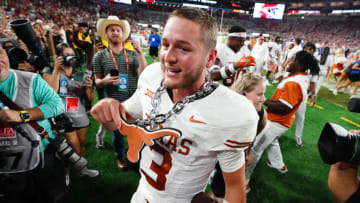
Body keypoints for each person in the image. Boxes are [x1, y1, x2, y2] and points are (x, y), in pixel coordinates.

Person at [91, 8, 258, 202]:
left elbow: (235, 188)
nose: (168, 57)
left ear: (210, 58)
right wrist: (109, 108)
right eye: (166, 45)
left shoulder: (231, 113)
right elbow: (121, 121)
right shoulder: (152, 76)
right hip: (141, 194)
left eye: (183, 48)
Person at [245, 51, 320, 192]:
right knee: (272, 141)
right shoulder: (300, 77)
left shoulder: (294, 82)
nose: (288, 61)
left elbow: (284, 107)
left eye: (292, 59)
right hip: (282, 121)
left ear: (301, 65)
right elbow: (286, 88)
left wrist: (262, 100)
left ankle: (245, 182)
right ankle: (278, 163)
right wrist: (276, 73)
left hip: (276, 121)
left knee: (255, 150)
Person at [0, 45, 66, 203]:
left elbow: (57, 105)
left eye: (0, 53)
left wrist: (20, 115)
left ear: (6, 56)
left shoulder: (30, 80)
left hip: (41, 157)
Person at [92, 15, 147, 170]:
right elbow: (97, 81)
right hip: (115, 100)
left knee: (136, 130)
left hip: (134, 99)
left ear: (122, 34)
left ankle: (135, 155)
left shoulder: (132, 54)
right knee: (118, 133)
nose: (115, 32)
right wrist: (105, 81)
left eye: (118, 30)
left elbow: (142, 74)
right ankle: (120, 157)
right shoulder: (99, 56)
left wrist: (141, 53)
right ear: (106, 34)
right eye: (112, 30)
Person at [42, 42, 99, 181]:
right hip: (62, 117)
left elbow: (90, 99)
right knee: (70, 148)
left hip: (79, 115)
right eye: (66, 55)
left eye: (72, 55)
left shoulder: (80, 74)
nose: (70, 58)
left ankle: (82, 170)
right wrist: (56, 69)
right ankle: (66, 171)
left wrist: (89, 88)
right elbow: (50, 92)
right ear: (59, 56)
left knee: (81, 144)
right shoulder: (49, 71)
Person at [209, 72, 267, 201]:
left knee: (224, 190)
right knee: (218, 192)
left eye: (263, 94)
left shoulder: (260, 113)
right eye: (259, 94)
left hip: (235, 160)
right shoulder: (225, 110)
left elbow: (255, 132)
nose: (264, 99)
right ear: (244, 92)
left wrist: (249, 150)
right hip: (218, 159)